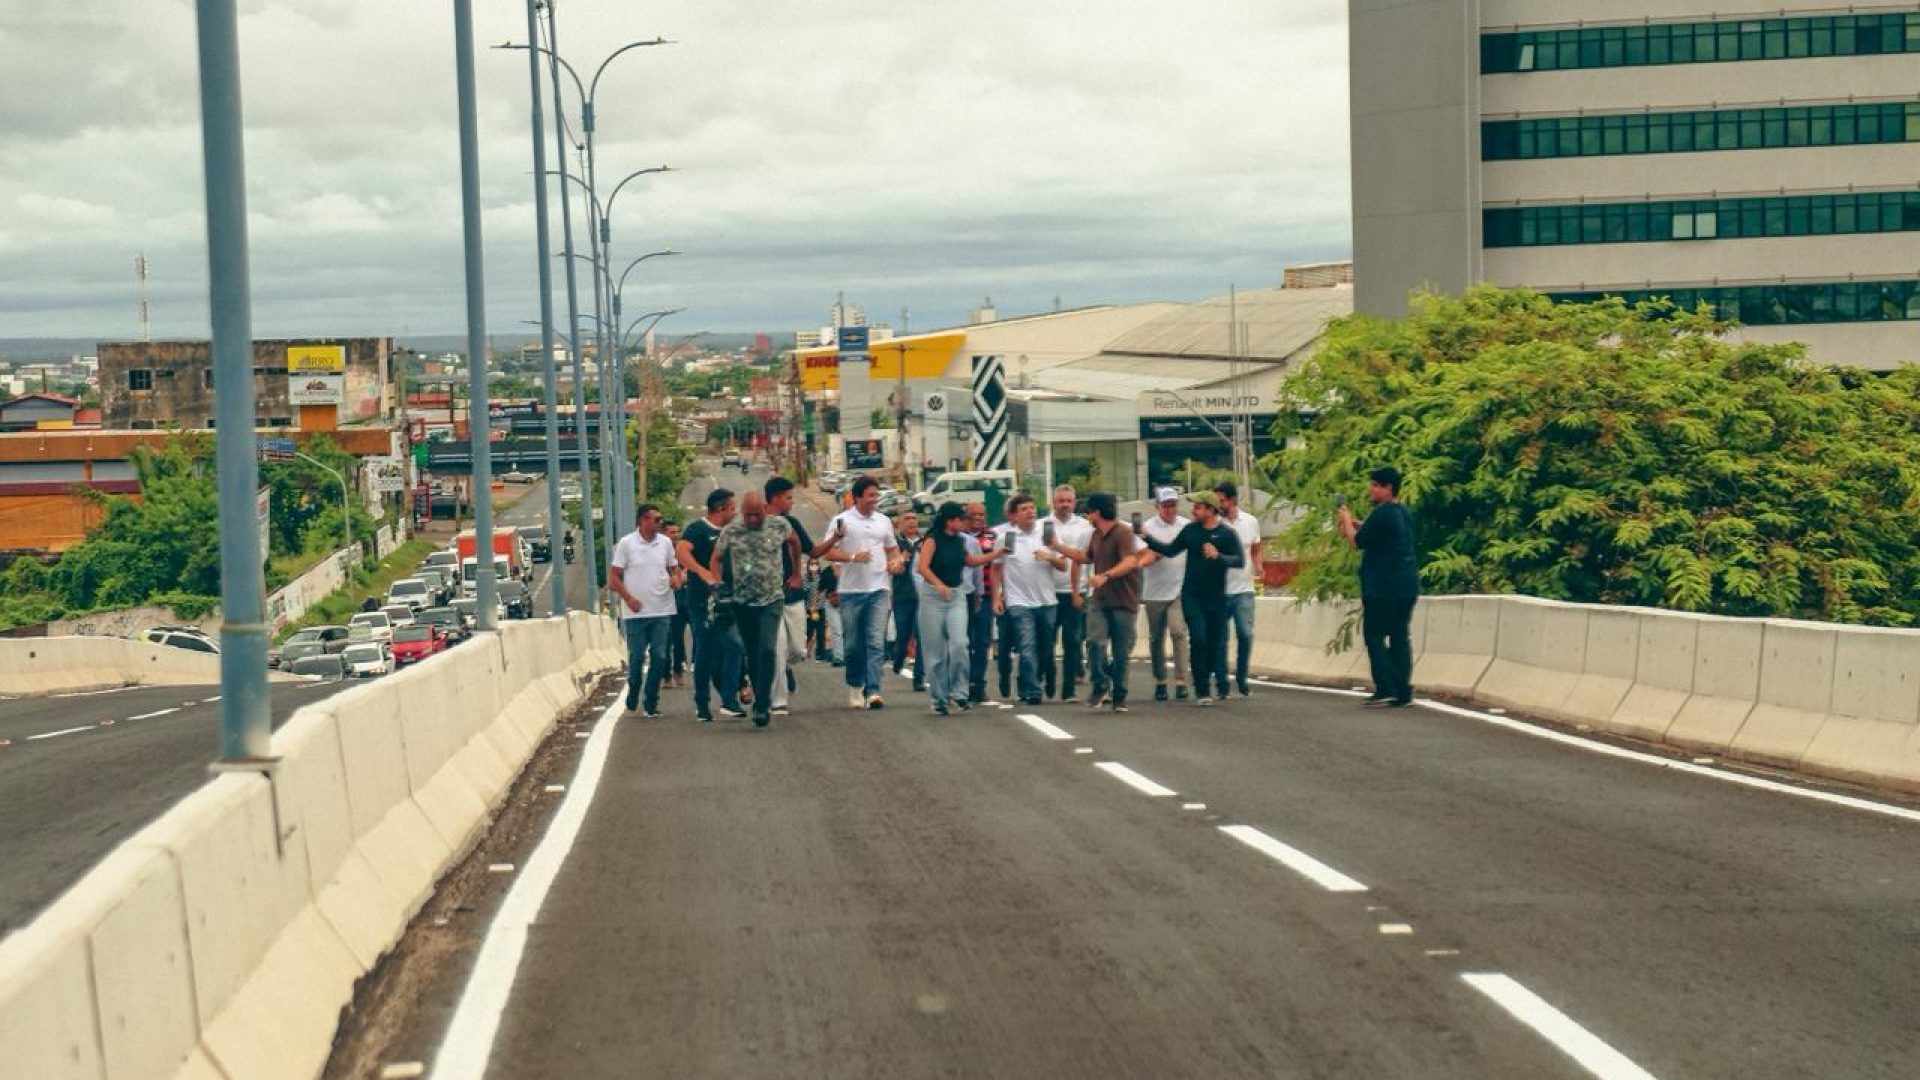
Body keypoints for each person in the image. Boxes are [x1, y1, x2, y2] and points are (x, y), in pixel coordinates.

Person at [1137, 492, 1243, 705]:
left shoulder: (1226, 534)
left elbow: (1239, 561)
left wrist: (1219, 556)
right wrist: (1146, 537)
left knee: (1213, 643)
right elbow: (1170, 550)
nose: (1193, 511)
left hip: (1216, 597)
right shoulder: (1190, 531)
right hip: (1192, 596)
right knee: (1198, 638)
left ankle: (1206, 675)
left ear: (1210, 510)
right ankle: (1202, 690)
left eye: (1198, 507)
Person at [710, 492, 794, 728]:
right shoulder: (731, 531)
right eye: (748, 515)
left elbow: (794, 543)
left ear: (764, 511)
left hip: (771, 599)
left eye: (757, 514)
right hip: (742, 601)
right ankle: (760, 695)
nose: (753, 519)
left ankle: (762, 704)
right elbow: (715, 558)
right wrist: (717, 583)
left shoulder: (779, 526)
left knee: (768, 649)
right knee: (753, 652)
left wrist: (796, 573)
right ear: (742, 513)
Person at [1339, 466, 1420, 708]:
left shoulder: (1382, 513)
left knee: (1374, 635)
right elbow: (1382, 535)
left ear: (1388, 488)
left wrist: (1346, 522)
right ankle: (1402, 689)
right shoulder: (1402, 512)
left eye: (1376, 485)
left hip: (1383, 586)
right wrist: (1358, 524)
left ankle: (1385, 686)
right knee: (1399, 635)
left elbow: (1356, 543)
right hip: (1406, 583)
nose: (1371, 489)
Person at [916, 502, 1008, 714]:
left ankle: (960, 693)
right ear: (950, 521)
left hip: (956, 595)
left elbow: (971, 561)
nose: (964, 522)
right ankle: (939, 698)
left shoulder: (960, 541)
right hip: (933, 597)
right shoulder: (932, 539)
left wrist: (997, 554)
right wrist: (938, 585)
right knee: (936, 652)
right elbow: (922, 566)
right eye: (961, 519)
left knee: (960, 644)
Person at [825, 476, 904, 709]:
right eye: (870, 495)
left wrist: (896, 562)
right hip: (851, 591)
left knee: (875, 642)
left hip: (879, 589)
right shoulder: (842, 521)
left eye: (876, 495)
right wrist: (852, 557)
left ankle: (874, 691)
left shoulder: (884, 521)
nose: (874, 500)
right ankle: (855, 684)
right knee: (852, 645)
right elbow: (828, 552)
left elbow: (892, 549)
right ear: (857, 497)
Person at [765, 475, 837, 717]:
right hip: (769, 598)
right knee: (777, 648)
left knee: (797, 649)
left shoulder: (792, 523)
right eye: (788, 498)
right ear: (775, 499)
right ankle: (778, 701)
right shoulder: (758, 524)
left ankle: (784, 667)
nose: (791, 502)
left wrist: (835, 539)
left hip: (793, 596)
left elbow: (813, 551)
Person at [991, 493, 1069, 706]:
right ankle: (1033, 690)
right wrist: (997, 596)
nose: (1030, 512)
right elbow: (996, 568)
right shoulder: (1007, 538)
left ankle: (1033, 680)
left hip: (1046, 601)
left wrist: (1051, 556)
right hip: (1019, 601)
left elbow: (1064, 565)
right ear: (1014, 516)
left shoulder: (1047, 535)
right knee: (1026, 646)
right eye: (1024, 509)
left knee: (1045, 648)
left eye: (1032, 508)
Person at [608, 503, 683, 716]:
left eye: (661, 519)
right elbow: (613, 578)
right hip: (636, 612)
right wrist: (628, 598)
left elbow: (673, 568)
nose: (660, 523)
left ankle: (651, 701)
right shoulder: (627, 544)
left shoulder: (666, 543)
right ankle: (634, 689)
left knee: (660, 657)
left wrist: (676, 578)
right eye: (656, 519)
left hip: (662, 609)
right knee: (637, 657)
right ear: (643, 520)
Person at [676, 488, 744, 722]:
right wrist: (701, 571)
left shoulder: (734, 532)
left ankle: (729, 698)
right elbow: (682, 552)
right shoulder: (698, 530)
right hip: (701, 602)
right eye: (732, 508)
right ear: (720, 509)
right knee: (704, 650)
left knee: (735, 645)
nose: (735, 513)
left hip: (729, 600)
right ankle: (702, 703)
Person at [1075, 493, 1141, 712]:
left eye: (1089, 511)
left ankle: (1119, 695)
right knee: (1094, 641)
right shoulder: (1096, 535)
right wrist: (1056, 547)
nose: (1087, 515)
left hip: (1124, 599)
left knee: (1121, 651)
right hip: (1100, 601)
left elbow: (1131, 561)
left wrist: (1106, 576)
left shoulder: (1123, 533)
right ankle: (1100, 683)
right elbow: (1086, 557)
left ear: (1097, 512)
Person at [1139, 488, 1191, 702]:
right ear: (1157, 506)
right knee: (1156, 637)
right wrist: (1157, 553)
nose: (1170, 509)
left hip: (1179, 589)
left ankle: (1181, 680)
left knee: (1178, 632)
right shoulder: (1147, 528)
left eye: (1173, 504)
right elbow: (1142, 555)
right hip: (1154, 591)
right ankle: (1160, 680)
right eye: (1166, 505)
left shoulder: (1185, 526)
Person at [1042, 485, 1092, 702]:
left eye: (1068, 501)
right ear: (1053, 502)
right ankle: (1050, 680)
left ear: (1074, 502)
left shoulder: (1084, 526)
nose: (1064, 505)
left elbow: (1086, 558)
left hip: (1075, 590)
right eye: (1060, 500)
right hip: (1047, 592)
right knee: (1047, 642)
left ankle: (1069, 689)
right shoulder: (1042, 526)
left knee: (1072, 640)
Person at [1215, 481, 1263, 698]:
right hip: (1220, 590)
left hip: (1244, 589)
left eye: (1222, 500)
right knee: (1220, 639)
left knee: (1245, 634)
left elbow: (1255, 549)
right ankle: (1222, 682)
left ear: (1232, 500)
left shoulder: (1250, 521)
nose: (1219, 504)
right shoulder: (1215, 525)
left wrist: (1259, 567)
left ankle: (1242, 677)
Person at [963, 501, 1000, 704]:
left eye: (982, 514)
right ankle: (963, 682)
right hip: (964, 594)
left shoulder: (992, 537)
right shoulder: (959, 537)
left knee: (983, 641)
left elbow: (998, 565)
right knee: (964, 640)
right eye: (974, 515)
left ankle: (978, 682)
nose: (978, 518)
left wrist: (997, 595)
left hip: (985, 594)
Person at [890, 510, 926, 692]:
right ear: (899, 524)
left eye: (914, 518)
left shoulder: (926, 542)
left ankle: (919, 677)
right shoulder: (895, 543)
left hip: (923, 597)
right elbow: (892, 567)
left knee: (922, 636)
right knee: (903, 633)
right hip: (903, 596)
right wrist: (901, 560)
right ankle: (899, 655)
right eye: (907, 519)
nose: (912, 522)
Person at [663, 521, 689, 688]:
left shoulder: (681, 551)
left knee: (678, 638)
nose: (675, 536)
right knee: (666, 640)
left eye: (676, 532)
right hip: (664, 600)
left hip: (683, 600)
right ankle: (666, 675)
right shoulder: (659, 551)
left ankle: (678, 670)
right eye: (671, 533)